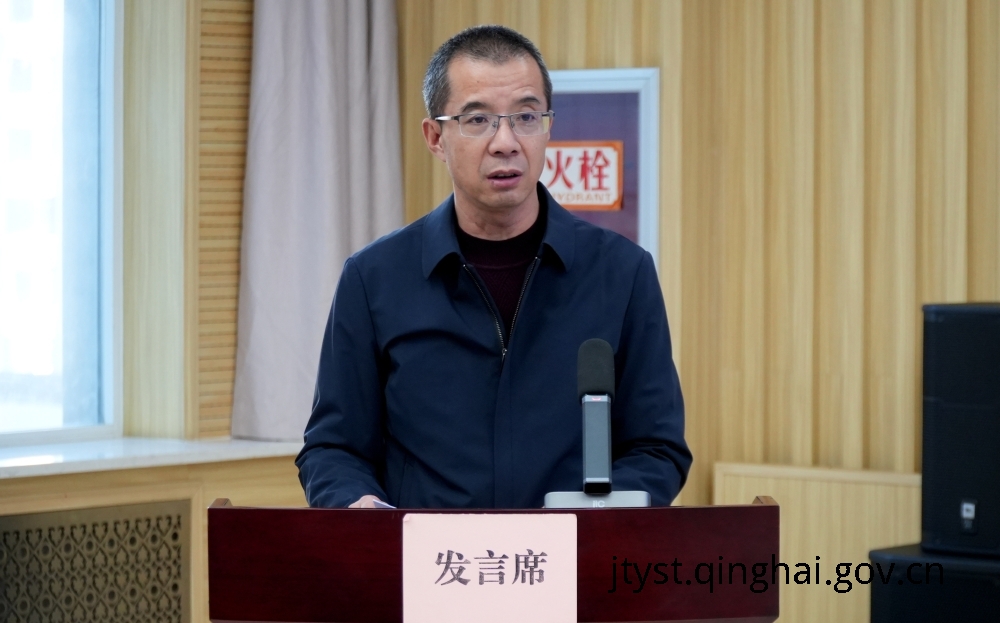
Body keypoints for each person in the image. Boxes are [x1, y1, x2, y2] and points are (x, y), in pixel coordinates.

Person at [295, 25, 691, 509]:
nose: (506, 142)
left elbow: (656, 447)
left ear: (548, 127)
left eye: (526, 117)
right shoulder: (374, 278)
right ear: (435, 137)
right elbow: (333, 448)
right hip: (427, 553)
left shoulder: (622, 273)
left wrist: (596, 519)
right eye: (478, 120)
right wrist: (357, 506)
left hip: (574, 551)